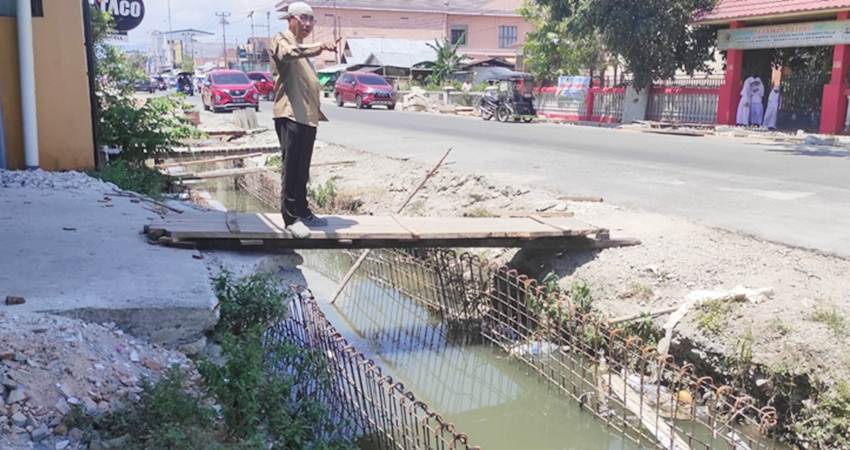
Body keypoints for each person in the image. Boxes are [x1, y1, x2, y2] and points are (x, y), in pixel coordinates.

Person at [268, 1, 338, 238]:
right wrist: (319, 48)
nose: (308, 24)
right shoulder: (282, 39)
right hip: (289, 114)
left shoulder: (302, 46)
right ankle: (290, 218)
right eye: (303, 19)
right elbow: (287, 54)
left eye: (311, 19)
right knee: (291, 166)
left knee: (302, 168)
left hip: (307, 117)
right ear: (291, 20)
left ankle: (302, 211)